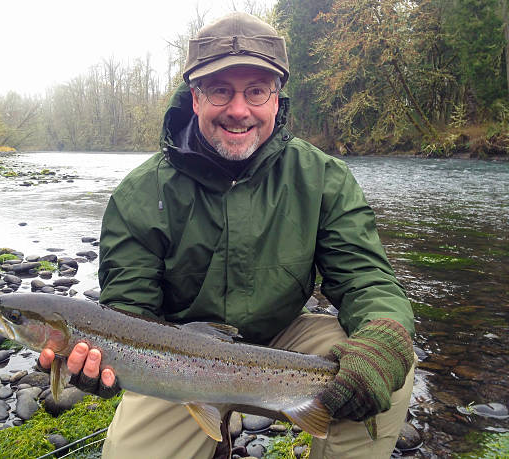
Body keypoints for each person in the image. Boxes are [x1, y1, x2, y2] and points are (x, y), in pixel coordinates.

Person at [39, 12, 416, 459]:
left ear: (277, 98)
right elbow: (126, 315)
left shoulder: (322, 178)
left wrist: (383, 336)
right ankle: (213, 425)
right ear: (195, 97)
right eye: (220, 90)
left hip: (284, 343)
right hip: (178, 360)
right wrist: (102, 366)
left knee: (386, 365)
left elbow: (366, 281)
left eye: (256, 90)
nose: (239, 110)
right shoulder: (140, 195)